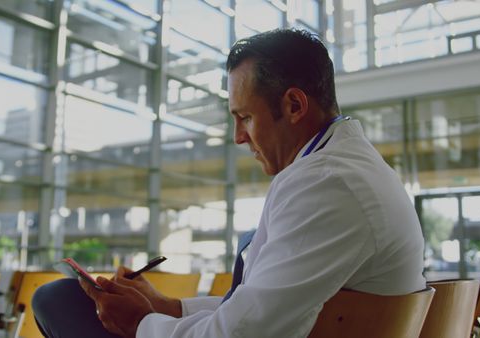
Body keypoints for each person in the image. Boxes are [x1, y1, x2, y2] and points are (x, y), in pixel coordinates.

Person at [32, 28, 425, 338]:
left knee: (58, 300)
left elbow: (246, 333)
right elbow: (261, 308)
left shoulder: (329, 184)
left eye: (246, 118)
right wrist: (169, 308)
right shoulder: (344, 168)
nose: (239, 137)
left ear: (293, 106)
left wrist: (140, 324)